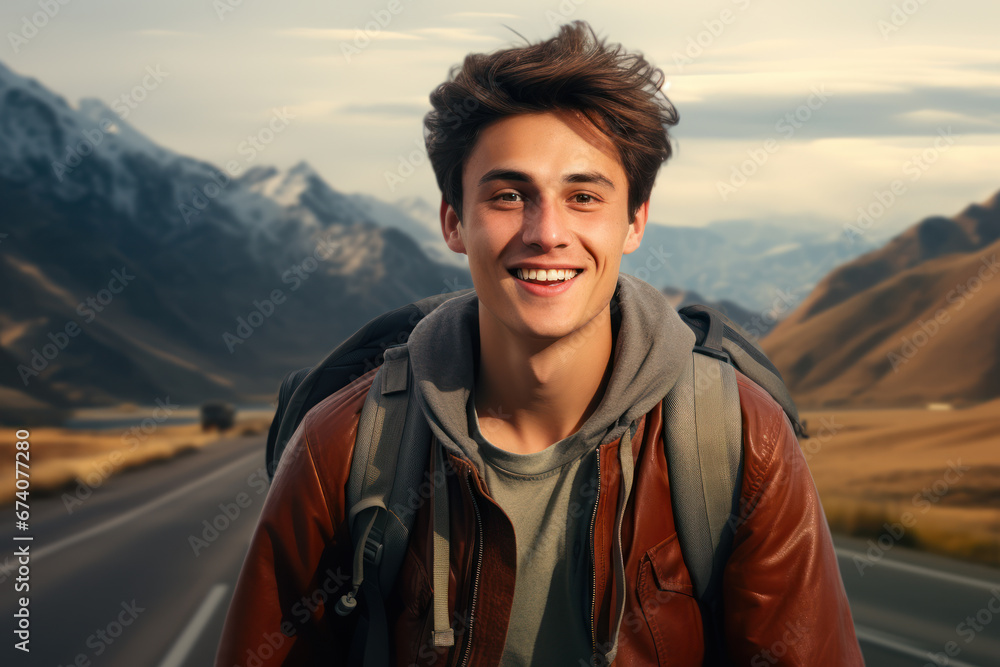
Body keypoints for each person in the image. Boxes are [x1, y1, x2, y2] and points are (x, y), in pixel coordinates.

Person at [215, 20, 864, 666]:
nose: (547, 231)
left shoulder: (740, 439)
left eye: (583, 196)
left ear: (634, 221)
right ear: (453, 222)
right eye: (508, 195)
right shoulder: (343, 446)